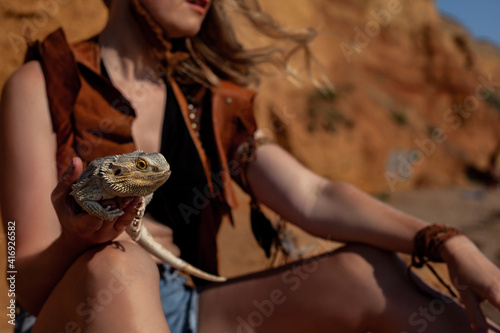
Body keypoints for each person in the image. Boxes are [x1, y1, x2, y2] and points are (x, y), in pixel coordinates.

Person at [1, 0, 499, 332]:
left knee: (368, 271)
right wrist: (77, 240)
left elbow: (315, 196)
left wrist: (445, 241)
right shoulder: (41, 83)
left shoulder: (209, 102)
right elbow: (21, 287)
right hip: (75, 314)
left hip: (188, 310)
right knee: (121, 265)